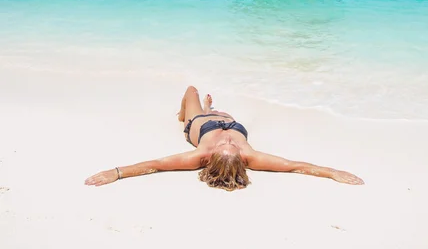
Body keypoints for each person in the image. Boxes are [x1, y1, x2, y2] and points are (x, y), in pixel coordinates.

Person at [85, 86, 364, 191]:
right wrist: (332, 172)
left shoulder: (198, 156)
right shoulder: (250, 156)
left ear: (211, 156)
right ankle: (210, 109)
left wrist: (117, 172)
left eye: (225, 146)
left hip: (198, 124)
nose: (229, 142)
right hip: (225, 118)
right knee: (219, 110)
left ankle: (184, 114)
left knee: (191, 90)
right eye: (232, 146)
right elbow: (293, 165)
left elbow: (157, 164)